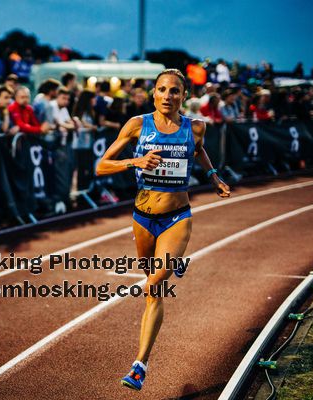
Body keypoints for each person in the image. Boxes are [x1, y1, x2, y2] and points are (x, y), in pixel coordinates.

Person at [95, 69, 230, 391]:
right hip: (143, 217)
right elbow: (101, 166)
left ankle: (139, 365)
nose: (168, 96)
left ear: (184, 95)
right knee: (148, 277)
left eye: (175, 91)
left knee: (153, 286)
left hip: (176, 218)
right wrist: (135, 162)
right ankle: (173, 260)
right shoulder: (137, 125)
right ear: (153, 93)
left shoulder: (196, 127)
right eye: (162, 90)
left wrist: (213, 176)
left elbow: (197, 150)